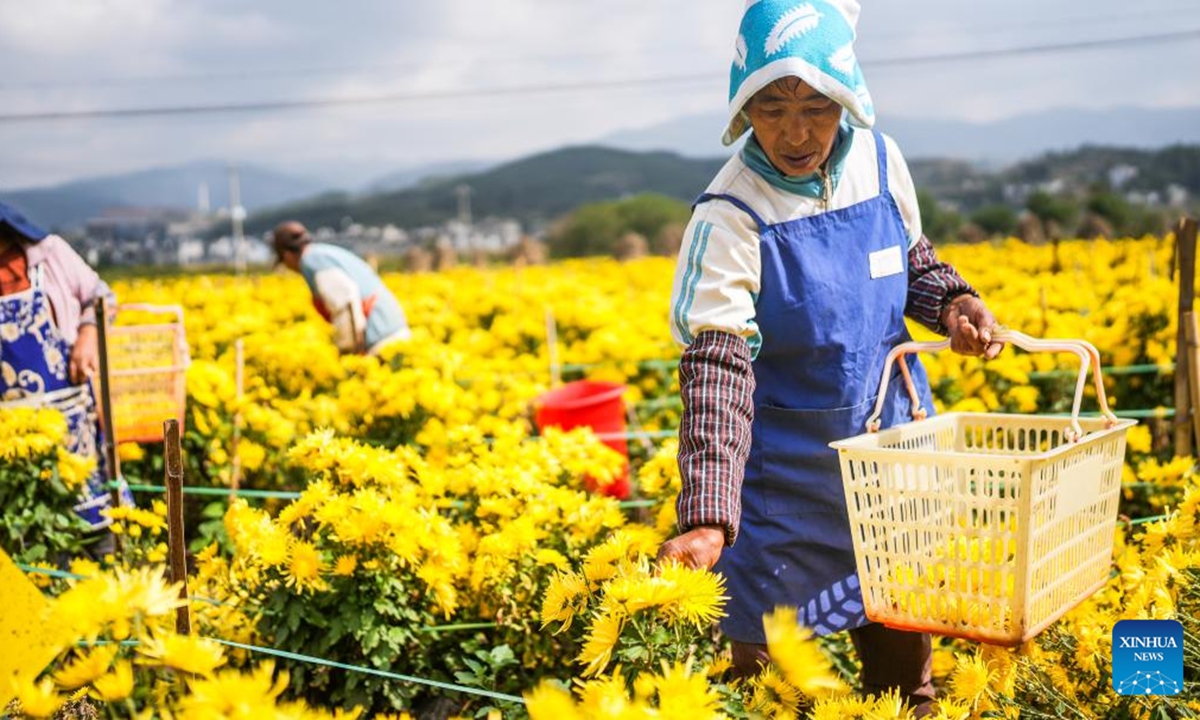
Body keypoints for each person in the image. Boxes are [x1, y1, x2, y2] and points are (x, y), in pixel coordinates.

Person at [655, 1, 1003, 715]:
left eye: (816, 106)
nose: (795, 132)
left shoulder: (880, 160)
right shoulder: (730, 216)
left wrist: (952, 303)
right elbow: (718, 369)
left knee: (907, 680)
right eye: (771, 107)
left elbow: (908, 261)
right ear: (743, 108)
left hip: (891, 471)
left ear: (848, 97)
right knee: (767, 682)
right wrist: (708, 515)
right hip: (784, 486)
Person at [0, 201, 130, 538]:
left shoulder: (49, 255)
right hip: (7, 439)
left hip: (71, 422)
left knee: (97, 530)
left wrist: (88, 335)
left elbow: (102, 297)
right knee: (27, 539)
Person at [272, 221, 411, 355]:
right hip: (394, 329)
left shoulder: (312, 261)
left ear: (287, 255)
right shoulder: (325, 252)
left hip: (380, 340)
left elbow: (344, 302)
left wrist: (346, 350)